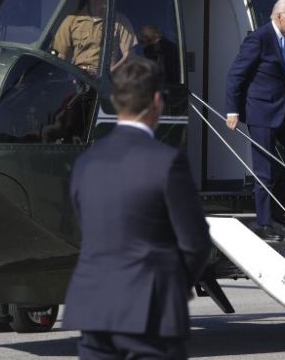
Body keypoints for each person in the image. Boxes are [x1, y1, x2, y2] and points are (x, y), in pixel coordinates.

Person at [63, 57, 212, 360]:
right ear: (156, 100)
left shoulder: (86, 163)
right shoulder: (168, 162)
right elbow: (195, 243)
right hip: (151, 310)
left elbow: (86, 227)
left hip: (94, 307)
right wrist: (175, 284)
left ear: (116, 100)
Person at [225, 0, 285, 241]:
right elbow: (236, 75)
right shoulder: (259, 39)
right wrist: (232, 110)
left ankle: (276, 201)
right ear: (279, 16)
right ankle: (264, 222)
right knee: (263, 168)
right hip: (260, 112)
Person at [52, 0, 136, 75]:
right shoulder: (71, 20)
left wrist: (108, 75)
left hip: (104, 80)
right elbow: (59, 55)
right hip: (77, 78)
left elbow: (130, 56)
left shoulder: (120, 21)